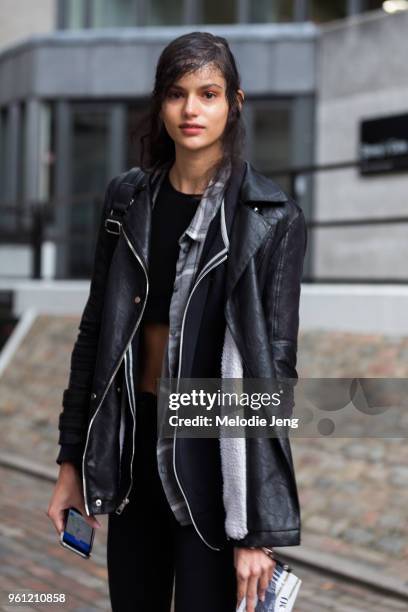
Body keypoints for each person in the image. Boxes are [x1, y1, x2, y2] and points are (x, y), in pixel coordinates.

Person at [47, 31, 307, 612]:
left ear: (233, 102)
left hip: (213, 458)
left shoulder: (271, 217)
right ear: (160, 103)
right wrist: (71, 462)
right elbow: (96, 337)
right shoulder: (126, 201)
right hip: (135, 454)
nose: (191, 110)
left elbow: (275, 372)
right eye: (177, 93)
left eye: (208, 93)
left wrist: (259, 528)